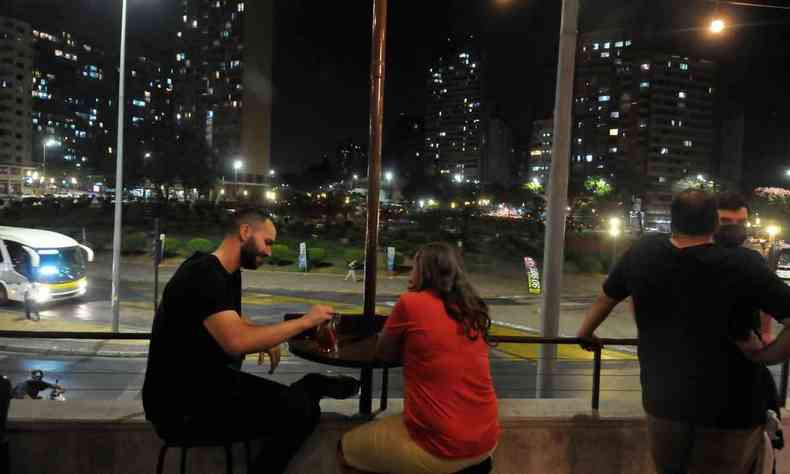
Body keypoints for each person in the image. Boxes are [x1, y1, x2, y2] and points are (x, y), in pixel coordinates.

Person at [576, 189, 790, 474]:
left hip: (664, 403)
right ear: (714, 224)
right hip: (731, 408)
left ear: (672, 220)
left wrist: (585, 332)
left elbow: (607, 296)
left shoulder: (642, 252)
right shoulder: (744, 264)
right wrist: (765, 356)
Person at [142, 209, 360, 474]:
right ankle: (312, 387)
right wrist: (305, 321)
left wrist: (262, 336)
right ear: (245, 232)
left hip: (209, 387)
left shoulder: (224, 272)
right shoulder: (202, 275)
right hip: (182, 407)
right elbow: (235, 341)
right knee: (301, 412)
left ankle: (312, 385)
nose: (269, 252)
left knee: (295, 404)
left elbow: (230, 319)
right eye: (267, 242)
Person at [338, 242, 500, 474]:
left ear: (425, 272)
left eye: (414, 267)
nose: (410, 273)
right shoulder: (470, 309)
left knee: (344, 450)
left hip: (443, 445)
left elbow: (383, 353)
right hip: (486, 438)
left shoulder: (410, 303)